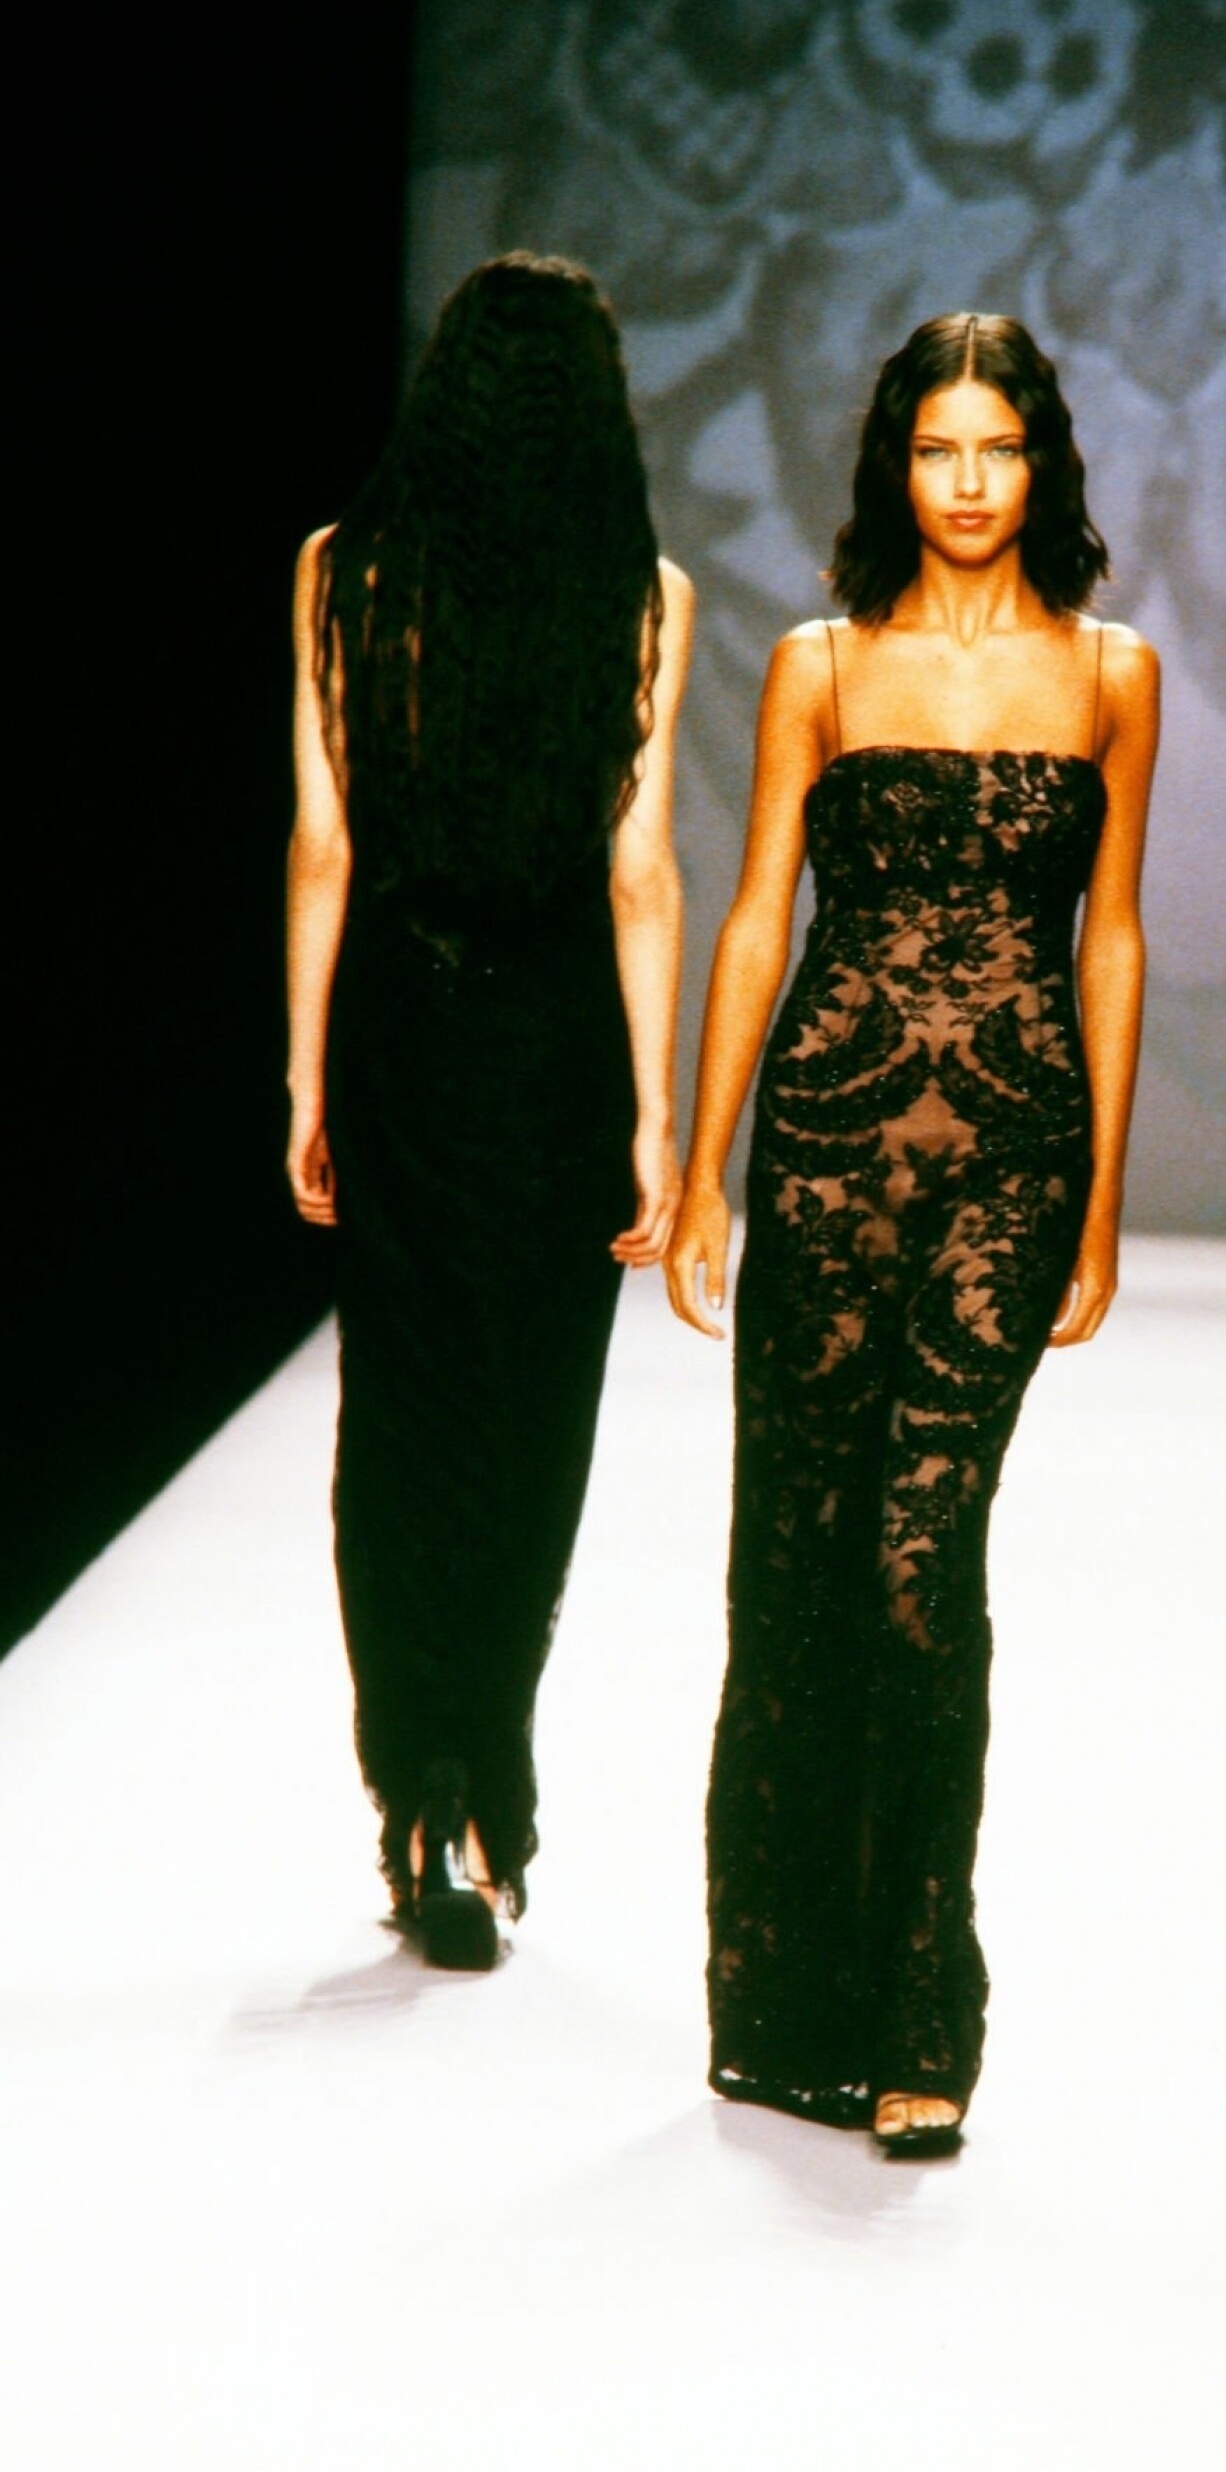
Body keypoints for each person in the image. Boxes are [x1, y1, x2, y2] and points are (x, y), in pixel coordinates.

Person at [666, 312, 1158, 2154]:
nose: (966, 482)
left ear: (1042, 469)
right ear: (897, 464)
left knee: (919, 1557)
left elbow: (1109, 937)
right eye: (937, 448)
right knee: (798, 1561)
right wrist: (703, 1171)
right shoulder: (819, 663)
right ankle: (790, 2001)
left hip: (1010, 1162)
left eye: (997, 449)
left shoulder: (1111, 673)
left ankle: (919, 2013)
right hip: (824, 1151)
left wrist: (1103, 1200)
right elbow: (755, 918)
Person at [286, 252, 694, 1968]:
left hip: (399, 1024)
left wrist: (304, 1073)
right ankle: (484, 1793)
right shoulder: (641, 593)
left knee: (402, 1413)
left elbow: (325, 845)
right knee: (532, 1417)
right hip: (554, 1047)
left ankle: (415, 1783)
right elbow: (639, 872)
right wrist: (659, 1118)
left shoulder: (345, 572)